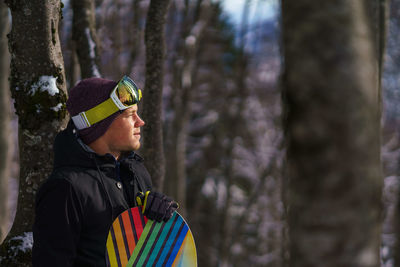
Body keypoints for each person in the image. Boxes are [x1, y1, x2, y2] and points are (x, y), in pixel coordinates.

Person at [32, 76, 178, 267]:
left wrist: (158, 217)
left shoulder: (135, 171)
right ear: (101, 123)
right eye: (129, 115)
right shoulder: (65, 189)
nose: (140, 122)